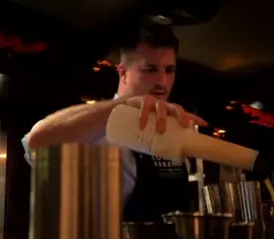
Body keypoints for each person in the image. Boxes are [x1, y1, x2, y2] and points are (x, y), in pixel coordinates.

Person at [22, 25, 208, 222]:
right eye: (150, 69)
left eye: (169, 70)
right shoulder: (93, 128)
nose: (162, 81)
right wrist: (123, 107)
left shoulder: (171, 131)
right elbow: (36, 141)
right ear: (123, 73)